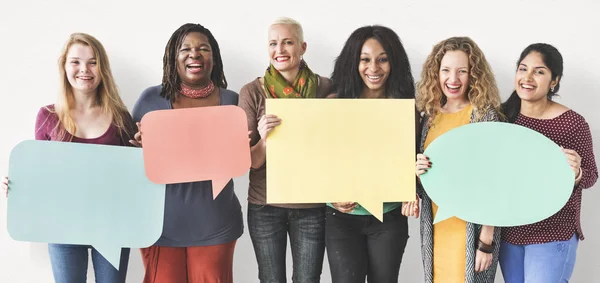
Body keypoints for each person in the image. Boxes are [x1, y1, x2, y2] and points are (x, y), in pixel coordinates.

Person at [2, 32, 134, 283]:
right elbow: (42, 175)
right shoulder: (48, 116)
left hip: (111, 226)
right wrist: (20, 186)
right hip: (63, 227)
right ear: (64, 67)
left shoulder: (120, 117)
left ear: (102, 68)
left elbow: (133, 177)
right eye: (76, 62)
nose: (84, 69)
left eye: (93, 62)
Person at [130, 23, 243, 283]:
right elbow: (125, 158)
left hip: (216, 226)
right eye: (186, 49)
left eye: (203, 48)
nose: (195, 54)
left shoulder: (232, 102)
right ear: (173, 57)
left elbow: (247, 158)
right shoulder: (151, 100)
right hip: (159, 227)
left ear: (214, 59)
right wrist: (137, 149)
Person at [238, 17, 332, 283]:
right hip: (265, 205)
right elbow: (251, 162)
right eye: (273, 43)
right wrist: (265, 140)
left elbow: (335, 150)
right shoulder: (252, 92)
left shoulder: (326, 89)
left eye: (287, 42)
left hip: (312, 205)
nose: (279, 50)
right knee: (270, 279)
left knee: (308, 279)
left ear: (302, 47)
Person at [325, 25, 417, 283]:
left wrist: (413, 189)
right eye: (365, 59)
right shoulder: (334, 105)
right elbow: (320, 160)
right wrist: (330, 194)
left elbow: (416, 160)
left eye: (383, 59)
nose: (373, 68)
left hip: (389, 218)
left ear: (394, 62)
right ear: (353, 62)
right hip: (341, 217)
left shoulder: (406, 108)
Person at [499, 43, 598, 283]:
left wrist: (577, 172)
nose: (528, 77)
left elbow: (591, 176)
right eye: (523, 69)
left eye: (539, 71)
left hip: (553, 233)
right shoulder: (503, 118)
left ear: (554, 81)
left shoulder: (573, 123)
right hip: (510, 233)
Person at [414, 36, 502, 283]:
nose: (453, 80)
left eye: (462, 71)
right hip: (436, 227)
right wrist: (418, 172)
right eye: (446, 70)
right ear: (436, 73)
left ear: (473, 74)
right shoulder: (430, 116)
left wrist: (486, 241)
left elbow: (496, 180)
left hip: (472, 230)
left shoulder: (484, 115)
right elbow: (428, 181)